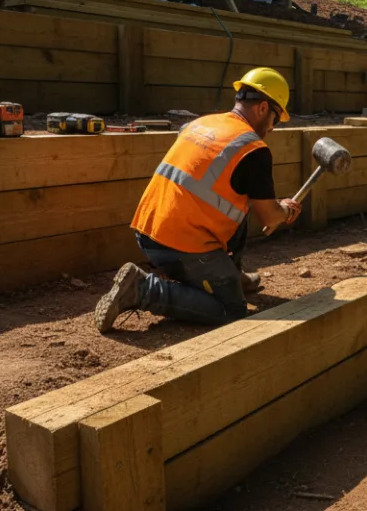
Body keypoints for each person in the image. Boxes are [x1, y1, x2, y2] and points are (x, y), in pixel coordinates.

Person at [94, 67, 302, 332]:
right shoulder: (253, 149)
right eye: (275, 119)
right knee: (231, 310)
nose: (272, 128)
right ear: (263, 108)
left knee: (239, 203)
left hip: (148, 232)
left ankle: (231, 276)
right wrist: (284, 210)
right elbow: (270, 216)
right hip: (180, 245)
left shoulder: (201, 123)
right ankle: (143, 290)